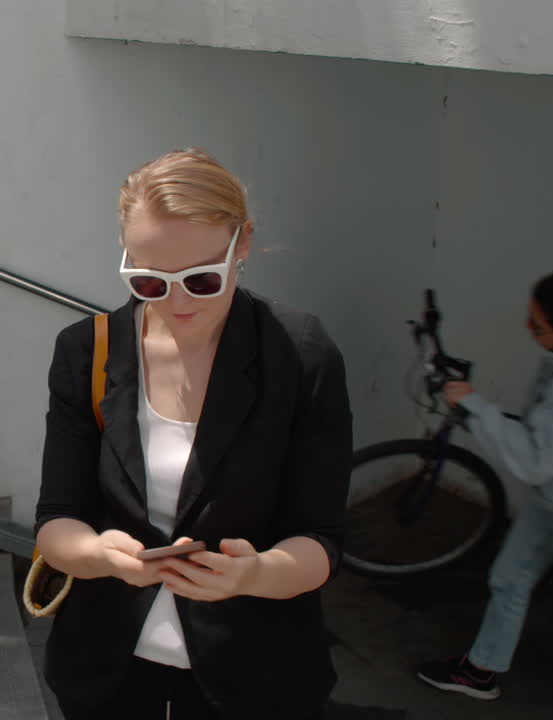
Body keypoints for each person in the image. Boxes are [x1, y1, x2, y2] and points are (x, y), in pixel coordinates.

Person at [34, 148, 353, 719]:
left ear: (244, 243)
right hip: (109, 667)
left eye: (202, 278)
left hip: (252, 673)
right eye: (149, 282)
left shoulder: (300, 354)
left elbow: (321, 538)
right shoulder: (86, 351)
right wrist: (99, 555)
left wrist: (254, 573)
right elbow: (57, 519)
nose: (176, 303)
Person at [417, 269, 553, 700]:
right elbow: (550, 440)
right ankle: (479, 670)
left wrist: (475, 405)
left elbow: (536, 460)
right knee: (509, 579)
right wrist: (480, 413)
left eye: (538, 325)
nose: (527, 327)